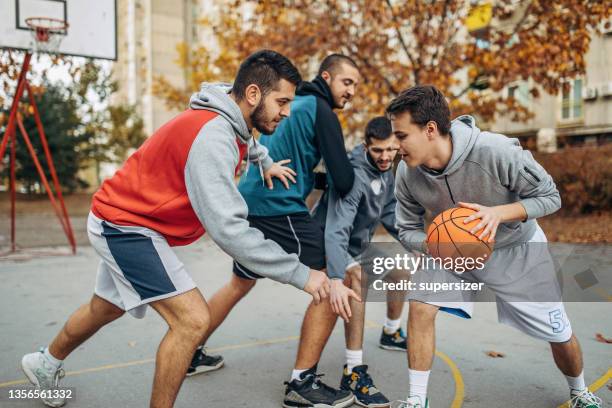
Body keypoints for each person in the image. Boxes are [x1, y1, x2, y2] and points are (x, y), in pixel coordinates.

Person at [20, 50, 331, 408]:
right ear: (253, 95)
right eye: (282, 101)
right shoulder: (213, 137)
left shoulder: (230, 118)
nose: (287, 112)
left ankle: (44, 363)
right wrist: (302, 274)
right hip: (126, 226)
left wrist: (267, 161)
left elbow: (249, 140)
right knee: (192, 321)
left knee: (105, 307)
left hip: (124, 217)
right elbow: (229, 230)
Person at [387, 85, 602, 408]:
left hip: (517, 248)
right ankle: (417, 400)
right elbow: (405, 228)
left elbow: (550, 197)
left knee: (558, 332)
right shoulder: (406, 172)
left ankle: (579, 390)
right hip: (451, 249)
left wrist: (498, 214)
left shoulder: (495, 151)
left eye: (401, 136)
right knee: (420, 305)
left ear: (430, 130)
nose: (395, 145)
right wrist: (434, 245)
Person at [187, 53, 361, 408]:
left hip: (253, 197)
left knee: (240, 282)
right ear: (327, 77)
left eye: (356, 85)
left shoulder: (295, 106)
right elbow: (343, 180)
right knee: (330, 277)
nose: (352, 92)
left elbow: (289, 159)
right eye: (347, 82)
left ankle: (189, 349)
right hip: (278, 206)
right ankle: (302, 382)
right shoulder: (321, 110)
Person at [312, 116, 410, 407]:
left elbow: (391, 214)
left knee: (401, 271)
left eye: (392, 150)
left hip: (359, 245)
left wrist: (417, 243)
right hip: (332, 244)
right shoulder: (355, 177)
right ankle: (353, 372)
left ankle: (391, 332)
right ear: (367, 145)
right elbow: (336, 230)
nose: (386, 156)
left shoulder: (387, 171)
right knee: (358, 280)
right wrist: (337, 273)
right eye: (379, 150)